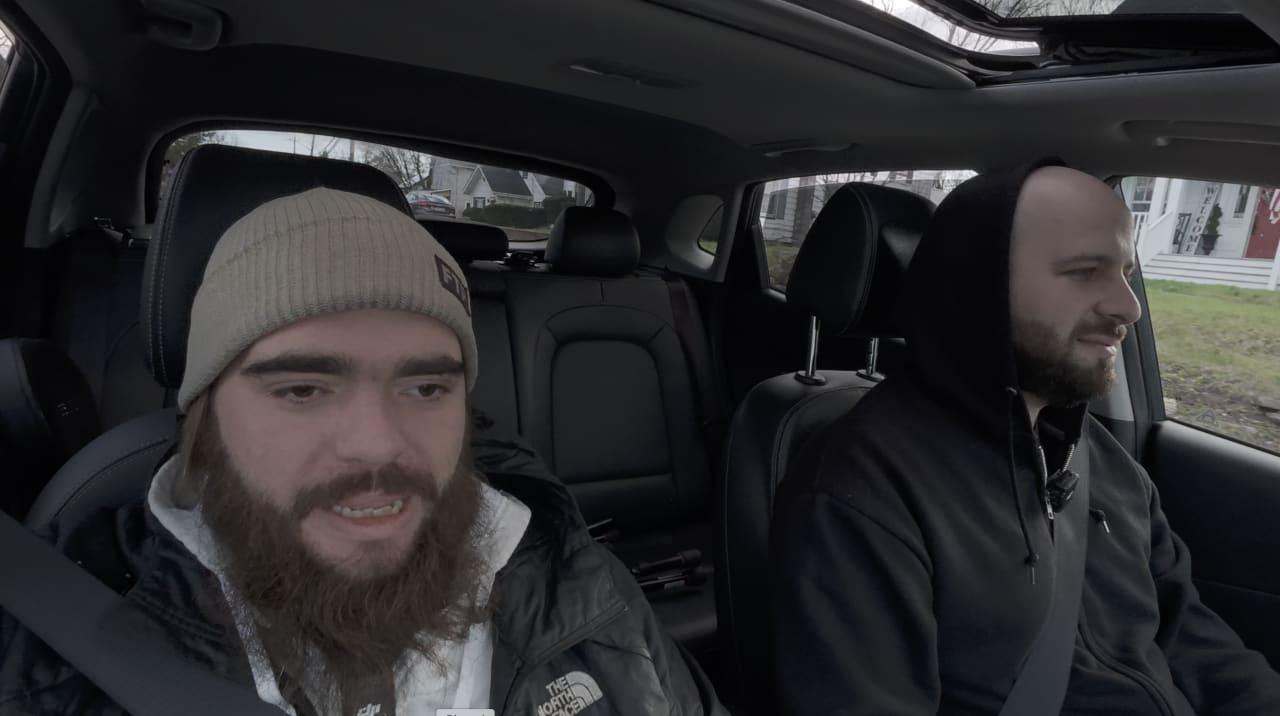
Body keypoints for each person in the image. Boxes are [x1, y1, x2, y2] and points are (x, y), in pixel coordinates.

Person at [0, 188, 725, 715]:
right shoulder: (49, 661)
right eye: (302, 390)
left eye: (425, 389)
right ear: (205, 416)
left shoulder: (581, 588)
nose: (377, 445)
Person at [769, 160, 1280, 715]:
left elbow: (1190, 640)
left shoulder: (1102, 461)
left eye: (1125, 272)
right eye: (1085, 271)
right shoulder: (858, 493)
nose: (1127, 307)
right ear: (978, 286)